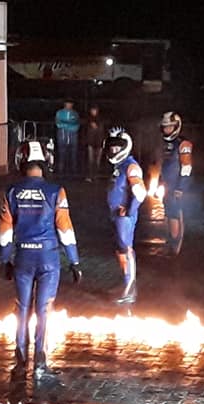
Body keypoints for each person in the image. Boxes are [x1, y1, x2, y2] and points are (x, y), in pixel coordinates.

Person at [0, 140, 82, 376]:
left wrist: (4, 259)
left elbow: (5, 231)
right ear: (45, 162)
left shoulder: (12, 191)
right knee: (44, 309)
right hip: (49, 259)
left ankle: (20, 353)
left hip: (23, 257)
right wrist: (74, 261)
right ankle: (41, 360)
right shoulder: (56, 191)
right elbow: (65, 228)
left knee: (22, 307)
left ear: (20, 161)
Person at [104, 126, 146, 304]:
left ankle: (130, 289)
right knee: (120, 250)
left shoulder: (131, 166)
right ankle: (125, 283)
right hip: (116, 215)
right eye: (111, 148)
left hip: (124, 217)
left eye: (117, 148)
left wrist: (128, 211)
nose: (113, 151)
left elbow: (140, 193)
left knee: (126, 249)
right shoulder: (119, 166)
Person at [158, 111, 193, 256]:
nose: (167, 130)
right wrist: (160, 181)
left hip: (177, 187)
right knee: (168, 214)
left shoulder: (183, 144)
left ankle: (175, 248)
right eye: (165, 127)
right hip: (167, 185)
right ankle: (170, 243)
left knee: (175, 215)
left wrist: (181, 187)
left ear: (176, 127)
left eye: (170, 127)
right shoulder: (166, 144)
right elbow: (164, 164)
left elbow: (186, 167)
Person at [54, 99, 79, 177]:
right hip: (62, 137)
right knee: (62, 155)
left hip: (73, 138)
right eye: (68, 103)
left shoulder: (75, 114)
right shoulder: (59, 113)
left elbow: (76, 126)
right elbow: (58, 124)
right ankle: (61, 174)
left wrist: (65, 124)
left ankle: (73, 173)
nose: (69, 105)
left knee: (73, 156)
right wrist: (69, 124)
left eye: (71, 104)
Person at [82, 105, 105, 182]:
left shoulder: (101, 120)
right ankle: (90, 176)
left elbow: (102, 131)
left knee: (97, 161)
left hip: (99, 142)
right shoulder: (88, 120)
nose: (93, 111)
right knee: (90, 160)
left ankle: (96, 176)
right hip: (91, 142)